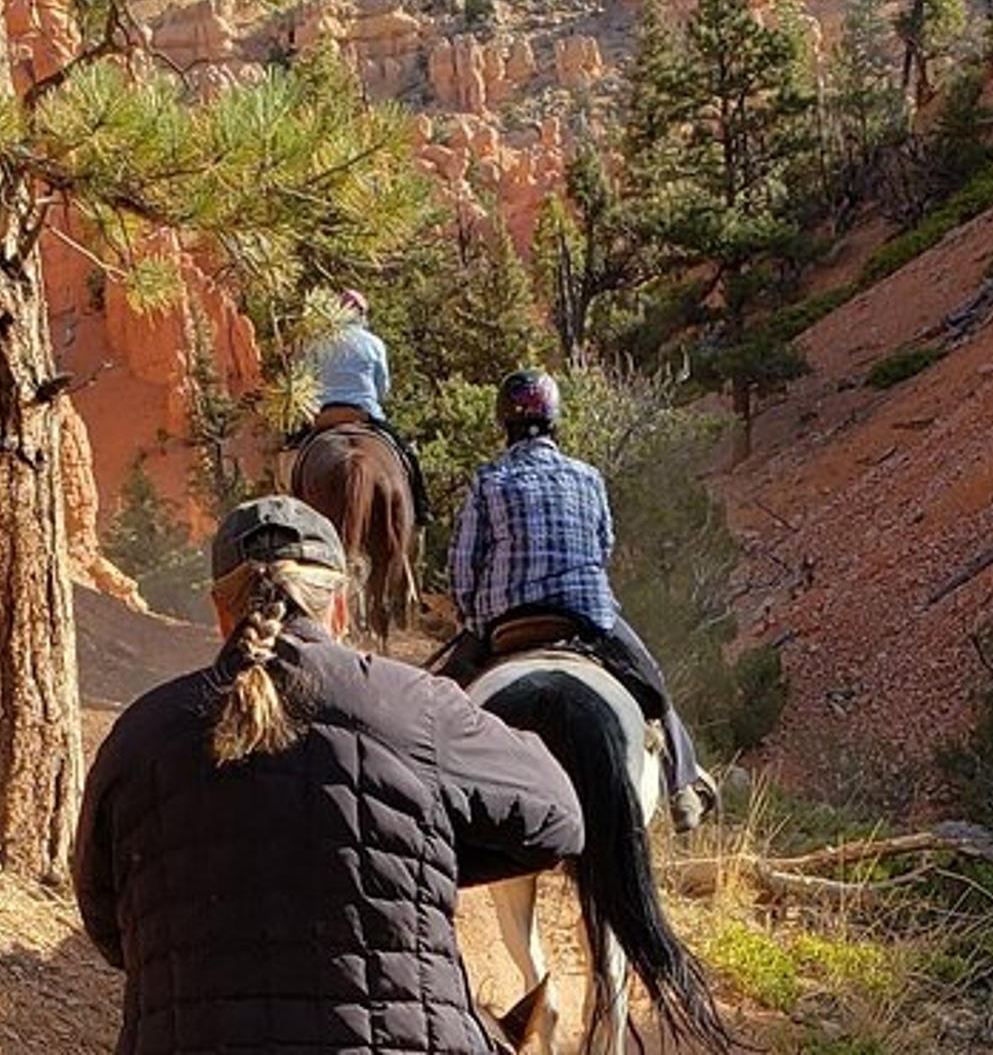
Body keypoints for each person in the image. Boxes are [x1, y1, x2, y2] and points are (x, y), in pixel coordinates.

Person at [73, 495, 584, 1055]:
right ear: (340, 605)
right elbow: (561, 821)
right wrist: (415, 859)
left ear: (220, 612)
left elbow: (109, 927)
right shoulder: (415, 706)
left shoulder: (138, 737)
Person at [432, 369, 721, 834]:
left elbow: (464, 566)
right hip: (586, 616)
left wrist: (471, 616)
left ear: (504, 422)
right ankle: (683, 783)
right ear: (554, 419)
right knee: (651, 679)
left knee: (435, 703)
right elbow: (603, 546)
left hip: (505, 621)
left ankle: (421, 794)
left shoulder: (487, 481)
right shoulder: (588, 477)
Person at [302, 289, 429, 520]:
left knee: (291, 453)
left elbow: (306, 382)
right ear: (362, 315)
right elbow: (383, 389)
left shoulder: (317, 343)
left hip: (324, 416)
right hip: (363, 414)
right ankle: (422, 507)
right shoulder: (374, 344)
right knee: (407, 453)